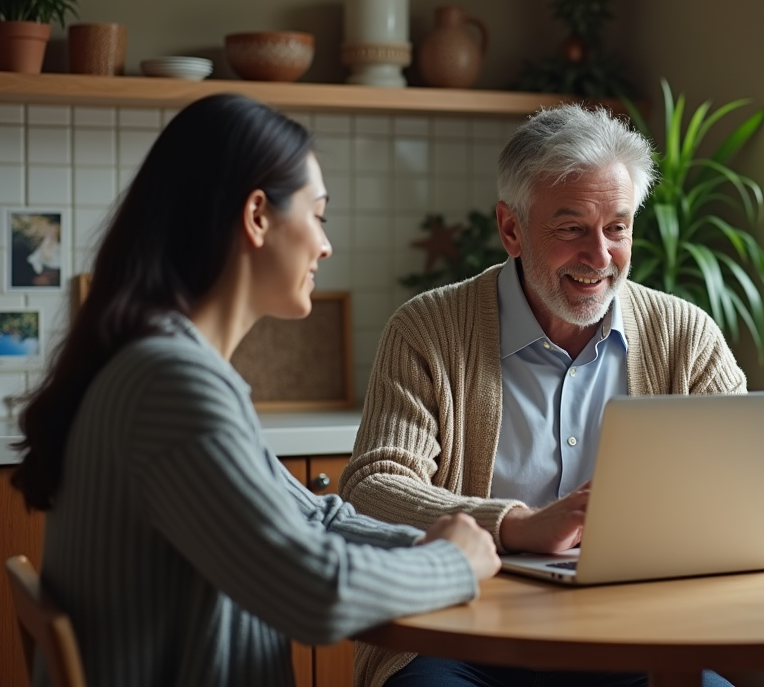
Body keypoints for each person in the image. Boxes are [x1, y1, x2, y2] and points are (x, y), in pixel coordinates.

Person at [9, 94, 500, 687]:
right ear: (258, 215)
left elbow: (313, 519)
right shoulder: (172, 387)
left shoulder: (165, 366)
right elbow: (316, 595)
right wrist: (451, 563)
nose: (326, 245)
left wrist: (461, 541)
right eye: (318, 215)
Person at [340, 103, 764, 687]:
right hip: (461, 636)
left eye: (617, 227)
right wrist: (514, 525)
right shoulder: (427, 330)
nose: (599, 255)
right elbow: (371, 489)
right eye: (570, 229)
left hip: (634, 640)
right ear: (511, 229)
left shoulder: (684, 333)